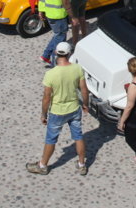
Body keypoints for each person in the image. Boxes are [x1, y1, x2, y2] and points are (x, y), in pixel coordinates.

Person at [26, 41, 89, 176]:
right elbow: (84, 90)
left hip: (57, 112)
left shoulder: (51, 74)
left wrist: (43, 114)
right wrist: (85, 104)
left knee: (51, 139)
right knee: (78, 136)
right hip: (74, 109)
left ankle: (43, 166)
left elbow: (46, 98)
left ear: (55, 53)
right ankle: (81, 164)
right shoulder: (77, 69)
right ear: (69, 53)